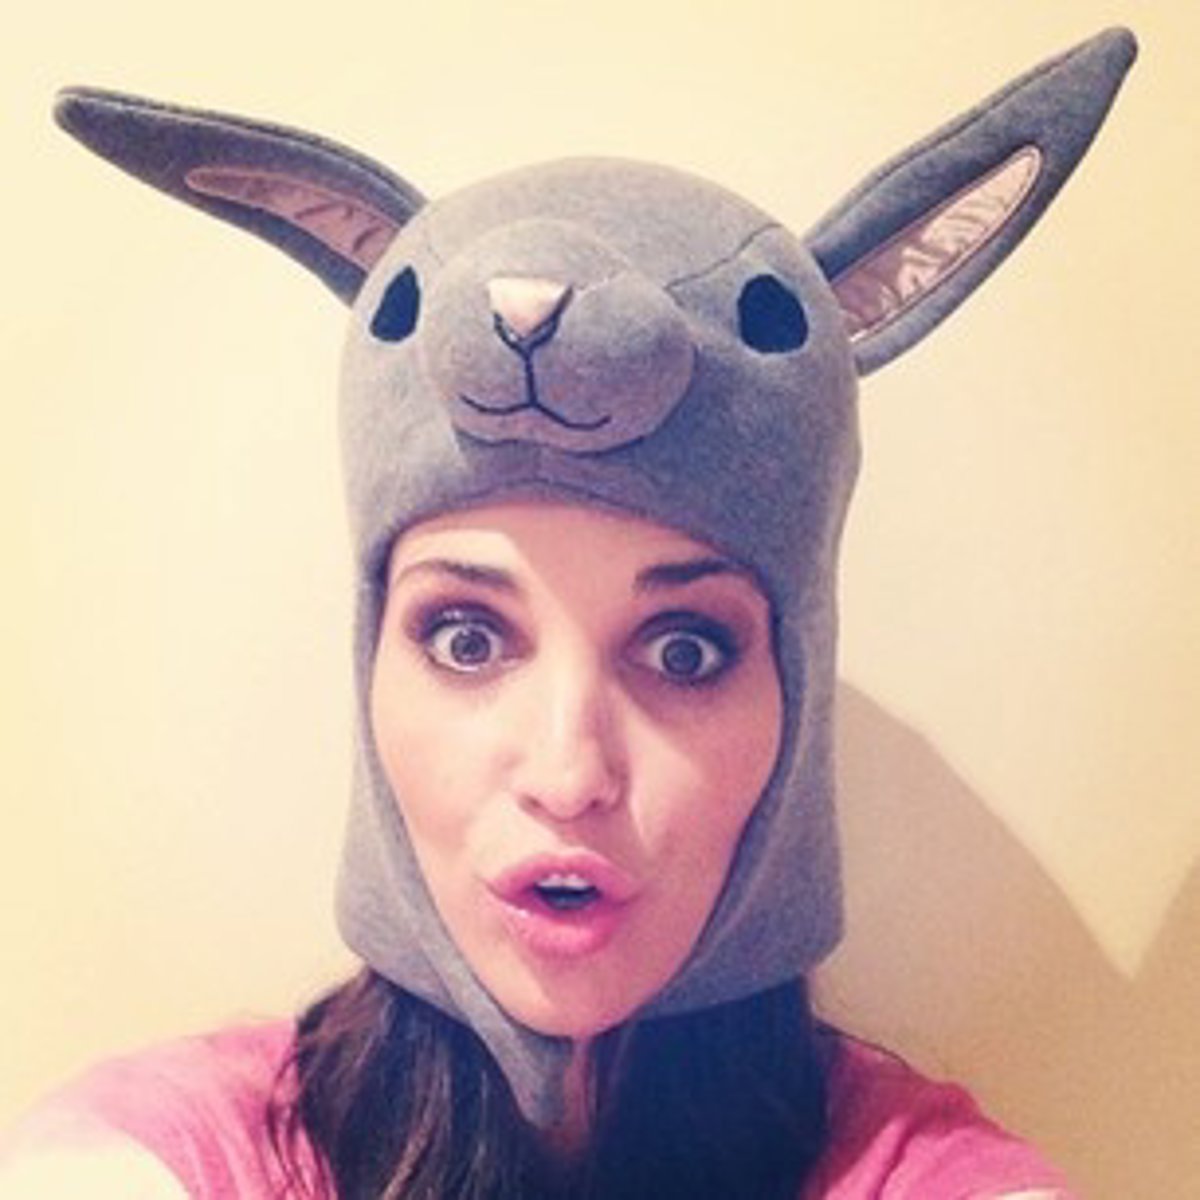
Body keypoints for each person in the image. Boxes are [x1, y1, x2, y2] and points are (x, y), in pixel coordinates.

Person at [0, 27, 1136, 1200]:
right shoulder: (163, 1158)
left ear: (794, 696)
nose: (567, 773)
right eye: (467, 638)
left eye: (684, 651)